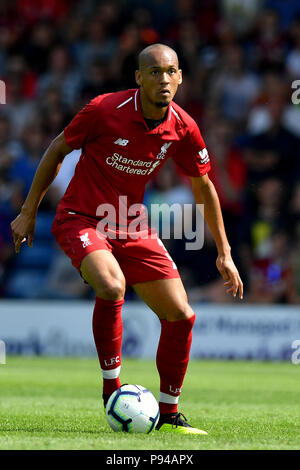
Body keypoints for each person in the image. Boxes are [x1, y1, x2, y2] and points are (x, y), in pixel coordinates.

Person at [10, 44, 243, 435]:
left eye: (170, 71)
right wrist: (29, 210)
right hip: (81, 218)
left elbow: (204, 188)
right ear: (138, 77)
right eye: (154, 72)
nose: (163, 79)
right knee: (112, 284)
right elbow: (56, 150)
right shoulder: (104, 110)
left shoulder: (183, 126)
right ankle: (111, 390)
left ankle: (169, 415)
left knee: (182, 316)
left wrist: (225, 251)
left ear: (181, 77)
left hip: (132, 224)